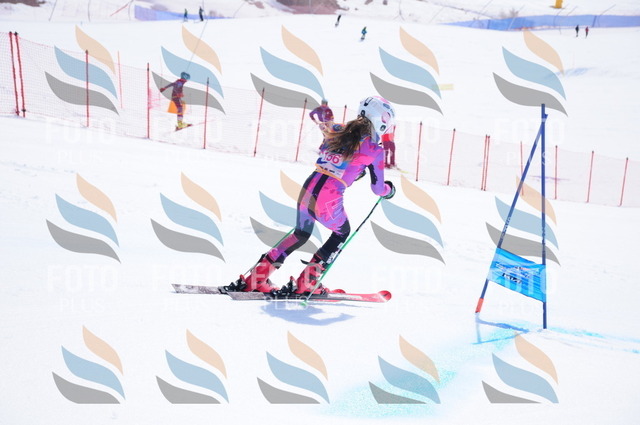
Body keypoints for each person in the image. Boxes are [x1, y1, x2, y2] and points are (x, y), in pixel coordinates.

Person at [236, 96, 397, 294]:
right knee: (341, 233)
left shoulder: (338, 130)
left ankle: (256, 278)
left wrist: (354, 171)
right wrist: (389, 190)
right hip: (328, 197)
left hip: (308, 189)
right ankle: (307, 283)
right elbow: (378, 189)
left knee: (299, 234)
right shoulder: (374, 149)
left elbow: (334, 153)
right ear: (382, 121)